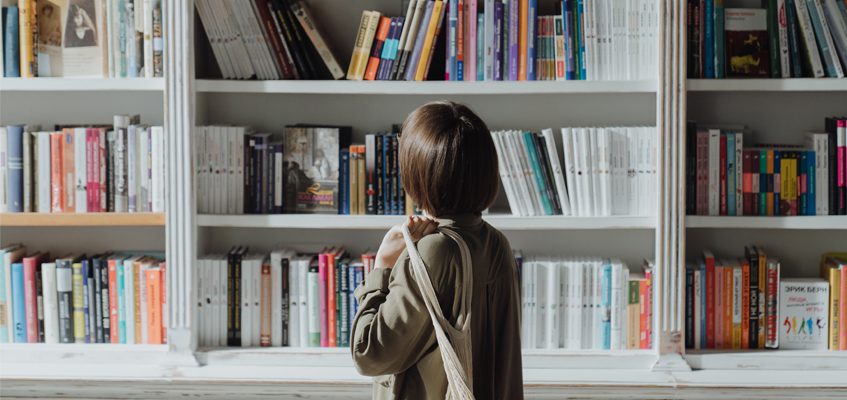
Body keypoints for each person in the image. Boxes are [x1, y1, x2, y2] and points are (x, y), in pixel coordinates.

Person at [350, 101, 524, 399]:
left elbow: (369, 354)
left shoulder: (432, 251)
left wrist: (381, 267)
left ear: (417, 172)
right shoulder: (495, 242)